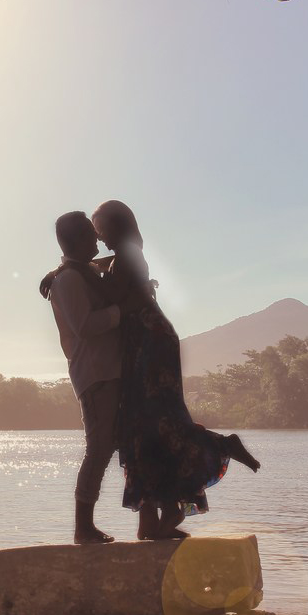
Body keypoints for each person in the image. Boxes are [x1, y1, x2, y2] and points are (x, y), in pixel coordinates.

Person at [91, 199, 260, 541]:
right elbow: (109, 269)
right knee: (142, 428)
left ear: (117, 226)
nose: (100, 238)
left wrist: (73, 272)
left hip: (152, 343)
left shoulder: (129, 255)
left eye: (102, 230)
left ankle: (213, 455)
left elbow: (118, 292)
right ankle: (150, 521)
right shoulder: (124, 255)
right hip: (142, 343)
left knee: (158, 426)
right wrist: (76, 268)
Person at [42, 210, 123, 545]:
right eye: (91, 234)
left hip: (106, 371)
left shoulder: (79, 272)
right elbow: (84, 326)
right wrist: (123, 311)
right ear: (76, 240)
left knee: (109, 446)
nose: (97, 239)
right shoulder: (69, 280)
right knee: (99, 449)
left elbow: (101, 265)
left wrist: (123, 260)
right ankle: (82, 528)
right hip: (94, 373)